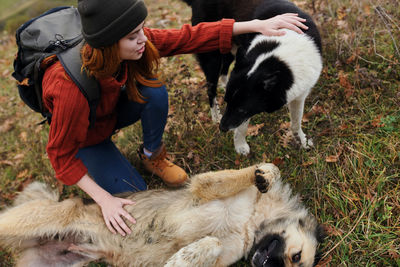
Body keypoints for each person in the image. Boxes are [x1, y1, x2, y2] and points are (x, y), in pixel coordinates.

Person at [41, 0, 308, 237]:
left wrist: (255, 25)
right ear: (109, 43)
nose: (143, 39)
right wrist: (103, 200)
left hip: (110, 111)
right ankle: (109, 165)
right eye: (133, 36)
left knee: (153, 90)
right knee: (135, 194)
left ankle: (151, 154)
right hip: (89, 138)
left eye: (143, 30)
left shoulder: (135, 42)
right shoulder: (69, 88)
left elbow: (186, 37)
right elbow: (61, 156)